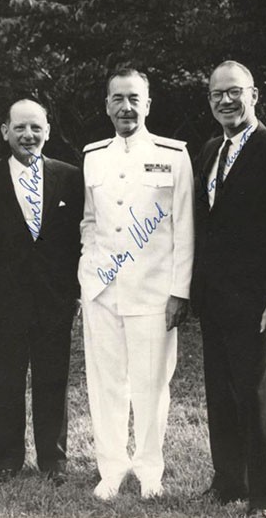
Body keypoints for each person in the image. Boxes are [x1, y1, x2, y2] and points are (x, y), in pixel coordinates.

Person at [191, 60, 266, 518]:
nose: (226, 100)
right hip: (215, 298)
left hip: (260, 302)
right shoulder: (208, 151)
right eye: (217, 94)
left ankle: (264, 499)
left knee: (254, 396)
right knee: (220, 394)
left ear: (254, 94)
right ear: (210, 101)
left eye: (234, 92)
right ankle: (229, 482)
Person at [78, 68, 195, 500]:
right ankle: (110, 469)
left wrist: (179, 290)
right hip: (102, 291)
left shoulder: (173, 155)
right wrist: (88, 270)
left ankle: (149, 470)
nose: (126, 107)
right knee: (105, 383)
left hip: (153, 292)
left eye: (134, 99)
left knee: (150, 385)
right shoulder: (93, 155)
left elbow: (184, 227)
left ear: (148, 104)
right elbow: (89, 221)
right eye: (117, 99)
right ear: (107, 104)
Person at [0, 99, 83, 487]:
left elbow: (77, 238)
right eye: (20, 128)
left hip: (54, 300)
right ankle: (6, 462)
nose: (28, 135)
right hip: (3, 301)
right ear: (5, 131)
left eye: (36, 128)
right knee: (5, 382)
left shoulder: (69, 176)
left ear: (48, 132)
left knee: (52, 380)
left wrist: (72, 292)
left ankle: (52, 461)